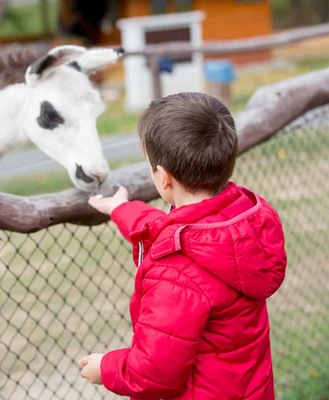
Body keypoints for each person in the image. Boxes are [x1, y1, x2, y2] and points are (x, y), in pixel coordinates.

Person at [80, 92, 287, 399]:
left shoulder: (176, 274)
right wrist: (121, 209)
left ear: (163, 178)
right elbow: (171, 229)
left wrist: (106, 368)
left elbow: (152, 372)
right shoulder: (239, 222)